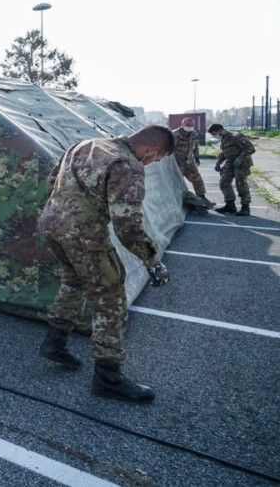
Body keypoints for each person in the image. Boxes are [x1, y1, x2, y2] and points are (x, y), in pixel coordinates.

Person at [37, 126, 173, 404]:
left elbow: (52, 181)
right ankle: (108, 377)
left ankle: (55, 342)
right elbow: (128, 228)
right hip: (84, 234)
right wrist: (153, 262)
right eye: (155, 160)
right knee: (110, 298)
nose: (152, 163)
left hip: (51, 224)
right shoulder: (127, 165)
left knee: (73, 281)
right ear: (152, 151)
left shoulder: (85, 144)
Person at [208, 124, 256, 216]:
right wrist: (218, 163)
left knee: (240, 184)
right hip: (230, 162)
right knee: (224, 182)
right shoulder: (223, 138)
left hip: (242, 163)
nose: (215, 136)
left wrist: (240, 158)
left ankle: (245, 208)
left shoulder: (236, 136)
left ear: (220, 130)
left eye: (215, 134)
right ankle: (230, 206)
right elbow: (223, 153)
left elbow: (251, 148)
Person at [171, 117, 206, 200]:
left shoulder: (194, 134)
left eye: (191, 125)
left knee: (197, 178)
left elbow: (196, 147)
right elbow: (170, 149)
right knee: (177, 180)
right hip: (178, 161)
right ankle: (176, 198)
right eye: (187, 125)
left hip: (190, 161)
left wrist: (197, 157)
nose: (190, 127)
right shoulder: (175, 134)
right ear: (182, 125)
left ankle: (201, 196)